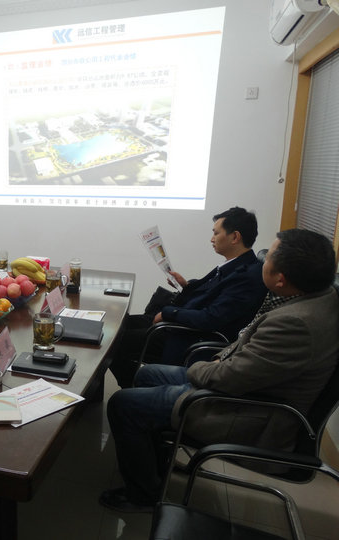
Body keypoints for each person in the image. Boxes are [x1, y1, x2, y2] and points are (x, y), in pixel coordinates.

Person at [100, 228, 339, 512]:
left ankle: (142, 495)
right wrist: (216, 363)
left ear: (280, 278)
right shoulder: (318, 299)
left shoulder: (295, 323)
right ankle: (155, 460)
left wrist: (202, 368)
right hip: (243, 386)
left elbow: (229, 378)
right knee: (145, 374)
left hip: (246, 410)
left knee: (122, 403)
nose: (263, 260)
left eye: (269, 257)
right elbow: (245, 353)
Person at [110, 207, 267, 388]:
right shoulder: (236, 265)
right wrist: (186, 286)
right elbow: (211, 293)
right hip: (181, 325)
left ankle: (132, 390)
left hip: (188, 336)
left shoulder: (246, 277)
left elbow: (211, 318)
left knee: (116, 342)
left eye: (216, 233)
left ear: (235, 237)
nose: (212, 239)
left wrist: (169, 313)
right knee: (117, 325)